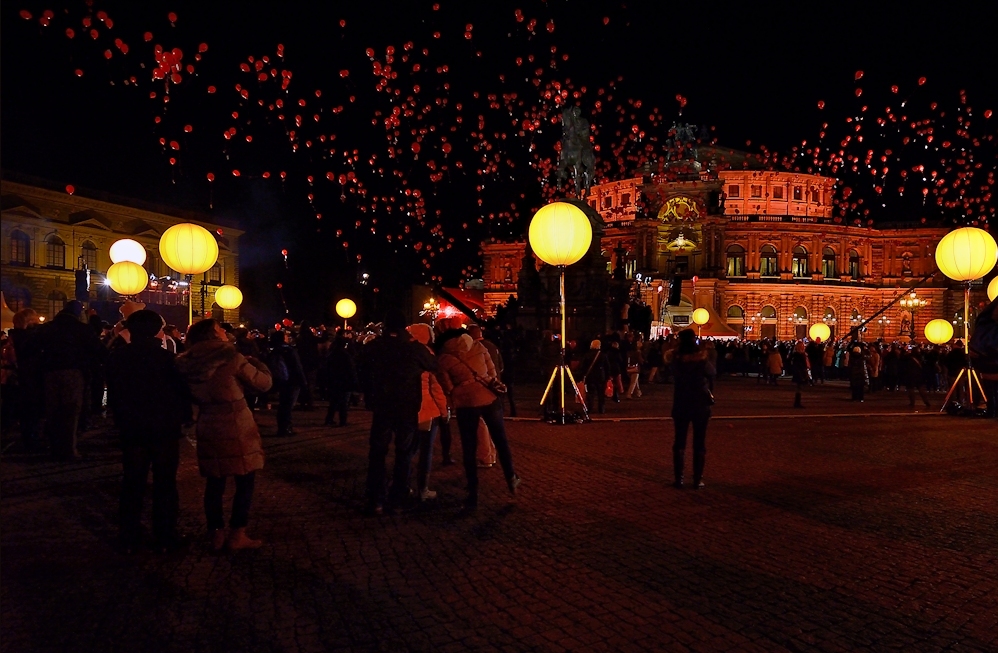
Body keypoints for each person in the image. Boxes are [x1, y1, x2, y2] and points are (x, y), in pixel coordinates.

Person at [176, 319, 273, 551]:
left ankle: (215, 533)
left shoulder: (185, 362)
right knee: (245, 480)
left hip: (208, 422)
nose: (225, 333)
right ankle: (237, 533)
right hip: (236, 424)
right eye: (220, 329)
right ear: (213, 334)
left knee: (215, 482)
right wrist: (258, 364)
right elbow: (264, 383)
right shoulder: (231, 356)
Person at [106, 310, 192, 554]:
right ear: (157, 331)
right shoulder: (167, 359)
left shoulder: (117, 358)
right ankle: (165, 533)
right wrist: (184, 417)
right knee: (165, 482)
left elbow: (113, 391)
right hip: (164, 428)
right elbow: (181, 392)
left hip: (132, 426)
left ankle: (129, 532)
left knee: (133, 480)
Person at [360, 310, 438, 515]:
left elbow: (361, 369)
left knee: (377, 453)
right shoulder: (414, 348)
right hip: (406, 406)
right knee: (404, 453)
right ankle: (398, 499)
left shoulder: (375, 347)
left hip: (382, 406)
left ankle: (376, 498)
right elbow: (432, 364)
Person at [438, 332, 519, 511]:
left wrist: (457, 396)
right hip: (489, 398)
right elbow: (492, 372)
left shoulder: (444, 358)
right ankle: (511, 477)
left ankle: (473, 492)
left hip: (466, 403)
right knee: (500, 440)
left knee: (469, 447)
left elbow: (447, 386)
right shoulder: (479, 347)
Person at [35, 300, 105, 460]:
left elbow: (29, 348)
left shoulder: (47, 328)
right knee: (70, 412)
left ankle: (54, 447)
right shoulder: (82, 329)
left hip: (50, 373)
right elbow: (98, 350)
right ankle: (69, 449)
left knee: (53, 411)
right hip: (74, 372)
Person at [408, 323, 448, 500]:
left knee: (408, 449)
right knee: (426, 450)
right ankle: (423, 488)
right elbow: (435, 387)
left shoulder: (403, 352)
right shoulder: (427, 355)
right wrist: (443, 410)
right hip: (427, 410)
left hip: (407, 407)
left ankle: (403, 484)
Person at [670, 329, 714, 490]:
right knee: (699, 441)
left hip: (681, 402)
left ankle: (679, 478)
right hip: (700, 404)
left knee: (679, 441)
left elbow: (671, 371)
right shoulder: (702, 358)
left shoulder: (676, 358)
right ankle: (697, 479)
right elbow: (712, 372)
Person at [267, 330, 307, 436]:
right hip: (293, 381)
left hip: (282, 380)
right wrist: (303, 382)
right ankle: (286, 428)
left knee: (283, 404)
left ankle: (282, 427)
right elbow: (297, 367)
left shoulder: (275, 350)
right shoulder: (289, 350)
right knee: (288, 406)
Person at [323, 333, 357, 427]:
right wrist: (353, 381)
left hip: (334, 381)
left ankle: (329, 419)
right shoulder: (346, 355)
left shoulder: (331, 354)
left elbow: (326, 368)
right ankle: (343, 420)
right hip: (344, 381)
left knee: (333, 402)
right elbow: (351, 369)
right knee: (344, 403)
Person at [578, 339, 609, 414]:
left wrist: (582, 375)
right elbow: (607, 366)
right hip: (600, 376)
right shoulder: (602, 355)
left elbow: (583, 366)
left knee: (591, 393)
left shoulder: (587, 355)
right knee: (601, 394)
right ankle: (601, 408)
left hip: (590, 376)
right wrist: (608, 376)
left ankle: (590, 407)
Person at [788, 342, 810, 408]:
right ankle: (797, 403)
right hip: (800, 372)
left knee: (799, 387)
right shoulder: (799, 355)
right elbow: (801, 364)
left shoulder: (796, 354)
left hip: (799, 372)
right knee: (799, 387)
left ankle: (797, 402)